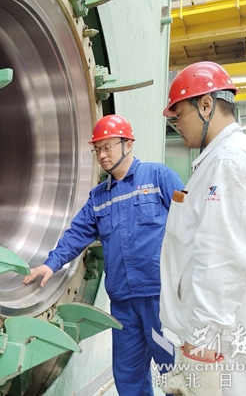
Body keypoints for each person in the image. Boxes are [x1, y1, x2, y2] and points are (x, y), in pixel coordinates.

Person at [23, 114, 185, 396]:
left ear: (128, 144)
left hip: (159, 298)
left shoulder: (158, 177)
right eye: (97, 149)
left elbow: (190, 225)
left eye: (108, 147)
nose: (102, 155)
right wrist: (51, 265)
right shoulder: (99, 197)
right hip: (123, 303)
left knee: (172, 369)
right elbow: (76, 234)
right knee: (128, 374)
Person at [159, 61, 246, 396]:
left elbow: (222, 260)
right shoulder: (218, 161)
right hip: (214, 338)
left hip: (219, 345)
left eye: (179, 114)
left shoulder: (228, 163)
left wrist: (201, 342)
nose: (176, 125)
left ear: (205, 105)